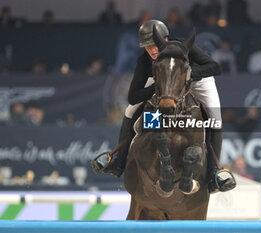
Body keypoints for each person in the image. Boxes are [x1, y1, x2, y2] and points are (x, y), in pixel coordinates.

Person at [93, 19, 236, 193]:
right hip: (164, 78)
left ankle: (214, 173)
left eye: (154, 45)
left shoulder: (184, 46)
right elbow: (133, 96)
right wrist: (159, 86)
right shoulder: (145, 61)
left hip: (198, 80)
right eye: (147, 47)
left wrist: (188, 76)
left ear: (165, 40)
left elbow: (214, 67)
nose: (152, 50)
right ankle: (118, 161)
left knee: (215, 118)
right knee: (131, 110)